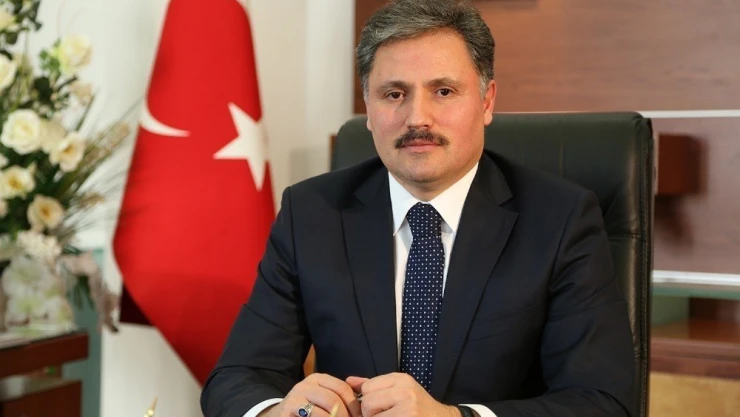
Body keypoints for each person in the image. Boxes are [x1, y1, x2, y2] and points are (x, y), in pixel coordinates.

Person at [200, 0, 636, 416]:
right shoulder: (312, 213)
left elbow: (602, 402)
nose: (417, 118)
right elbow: (237, 376)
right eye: (394, 94)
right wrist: (279, 412)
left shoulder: (560, 220)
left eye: (443, 91)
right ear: (368, 109)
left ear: (486, 101)